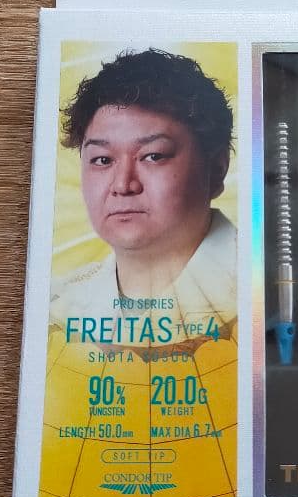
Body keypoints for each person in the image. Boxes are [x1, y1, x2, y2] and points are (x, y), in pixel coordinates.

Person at [49, 49, 236, 349]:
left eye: (153, 156)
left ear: (216, 170)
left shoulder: (265, 290)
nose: (123, 185)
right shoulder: (55, 309)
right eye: (102, 160)